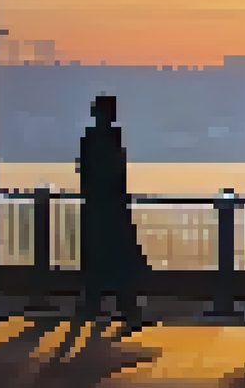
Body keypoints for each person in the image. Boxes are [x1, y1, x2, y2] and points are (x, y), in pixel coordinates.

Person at [75, 94, 148, 329]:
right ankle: (126, 308)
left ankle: (94, 304)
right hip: (112, 207)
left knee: (96, 260)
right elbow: (118, 174)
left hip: (96, 206)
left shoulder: (90, 139)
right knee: (119, 261)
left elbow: (85, 173)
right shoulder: (112, 140)